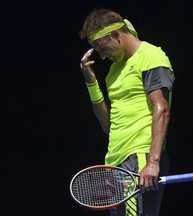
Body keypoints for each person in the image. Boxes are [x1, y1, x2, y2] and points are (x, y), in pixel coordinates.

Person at [79, 8, 175, 215]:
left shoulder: (151, 56)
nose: (103, 57)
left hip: (140, 158)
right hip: (114, 163)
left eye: (103, 49)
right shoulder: (114, 72)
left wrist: (153, 162)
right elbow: (107, 125)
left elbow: (162, 109)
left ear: (115, 34)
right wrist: (91, 82)